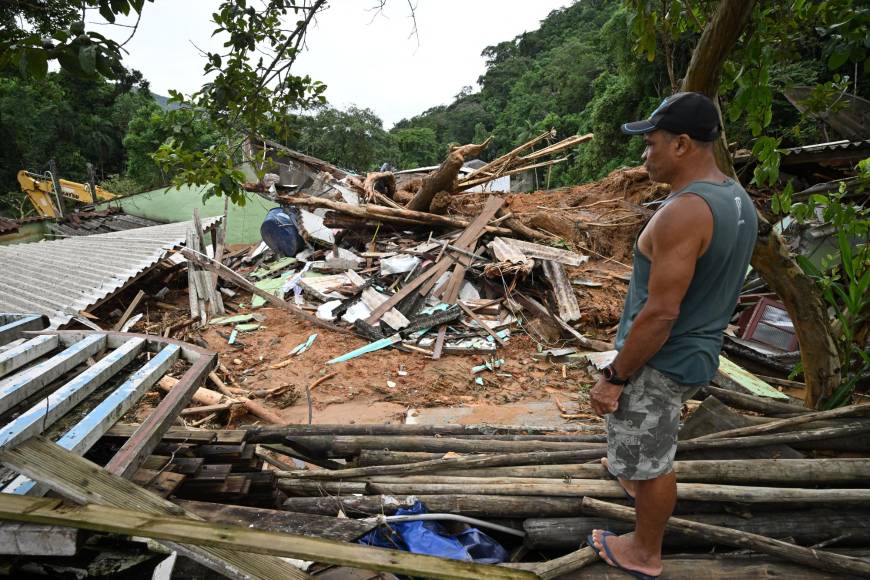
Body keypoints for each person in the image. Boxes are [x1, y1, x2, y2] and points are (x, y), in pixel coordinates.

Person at [587, 92, 757, 580]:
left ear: (681, 144)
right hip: (698, 351)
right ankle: (631, 472)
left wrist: (615, 377)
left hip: (661, 359)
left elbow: (661, 313)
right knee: (646, 444)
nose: (646, 155)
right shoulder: (736, 198)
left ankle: (644, 551)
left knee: (655, 463)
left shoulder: (686, 211)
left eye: (652, 144)